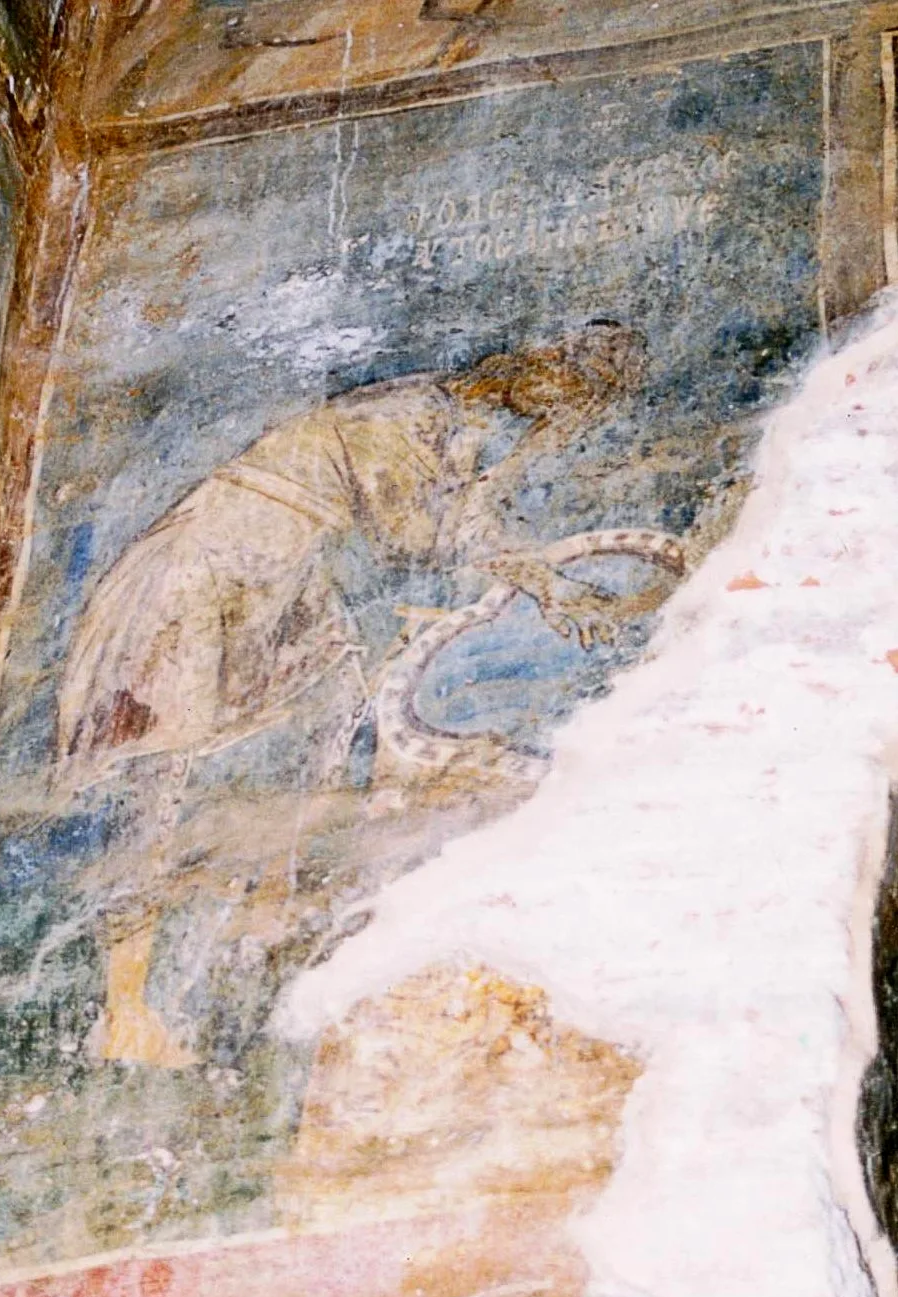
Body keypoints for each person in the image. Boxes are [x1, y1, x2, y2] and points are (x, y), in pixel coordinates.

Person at [56, 321, 650, 1066]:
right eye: (565, 390)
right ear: (546, 369)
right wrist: (538, 567)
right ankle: (125, 1010)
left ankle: (273, 895)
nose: (553, 411)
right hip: (200, 575)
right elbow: (419, 538)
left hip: (276, 578)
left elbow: (462, 522)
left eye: (573, 405)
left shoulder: (450, 421)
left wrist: (548, 580)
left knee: (337, 694)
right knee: (157, 779)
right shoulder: (417, 412)